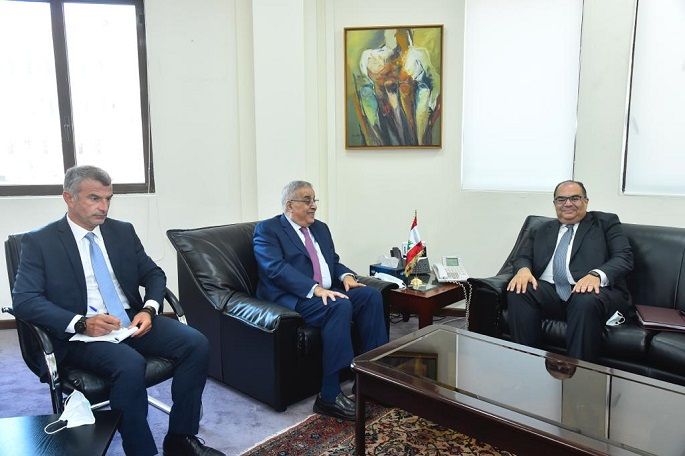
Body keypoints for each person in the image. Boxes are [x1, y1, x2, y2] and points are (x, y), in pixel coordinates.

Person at [12, 166, 223, 456]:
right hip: (79, 335)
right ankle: (141, 451)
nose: (104, 207)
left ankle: (180, 438)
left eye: (108, 198)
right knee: (129, 364)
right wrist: (81, 323)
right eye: (94, 198)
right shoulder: (40, 242)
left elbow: (154, 274)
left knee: (196, 343)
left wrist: (149, 309)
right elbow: (24, 300)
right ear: (69, 198)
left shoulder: (121, 231)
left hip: (128, 321)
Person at [253, 180, 388, 420]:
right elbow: (275, 269)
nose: (313, 205)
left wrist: (345, 276)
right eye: (307, 200)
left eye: (314, 200)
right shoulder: (268, 230)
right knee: (338, 306)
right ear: (289, 205)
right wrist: (314, 289)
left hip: (324, 291)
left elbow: (332, 261)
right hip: (290, 297)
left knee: (370, 296)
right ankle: (329, 395)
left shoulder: (320, 228)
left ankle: (370, 379)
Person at [506, 180, 633, 362]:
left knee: (584, 298)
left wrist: (596, 275)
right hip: (552, 292)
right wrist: (523, 270)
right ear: (555, 203)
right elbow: (522, 256)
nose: (567, 203)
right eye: (561, 199)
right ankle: (527, 364)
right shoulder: (541, 228)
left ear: (586, 201)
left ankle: (579, 373)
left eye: (575, 198)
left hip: (594, 293)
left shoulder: (606, 223)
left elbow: (624, 257)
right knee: (520, 290)